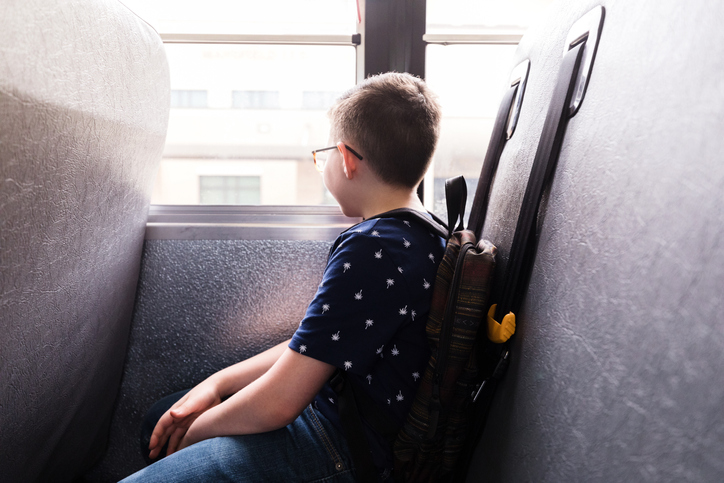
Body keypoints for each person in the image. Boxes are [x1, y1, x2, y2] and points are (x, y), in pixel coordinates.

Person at [119, 72, 445, 482]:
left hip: (338, 444)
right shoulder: (424, 233)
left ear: (345, 159)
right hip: (335, 411)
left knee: (170, 435)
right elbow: (316, 344)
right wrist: (217, 385)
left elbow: (279, 403)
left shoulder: (371, 248)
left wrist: (196, 433)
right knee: (159, 417)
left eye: (325, 152)